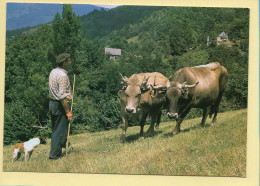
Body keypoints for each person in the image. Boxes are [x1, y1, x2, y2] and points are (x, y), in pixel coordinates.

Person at [48, 53, 73, 160]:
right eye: (68, 60)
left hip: (52, 103)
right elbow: (62, 96)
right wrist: (68, 112)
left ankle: (61, 147)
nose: (70, 62)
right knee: (58, 130)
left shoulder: (54, 71)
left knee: (57, 128)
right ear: (64, 62)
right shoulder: (62, 76)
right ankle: (54, 156)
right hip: (59, 105)